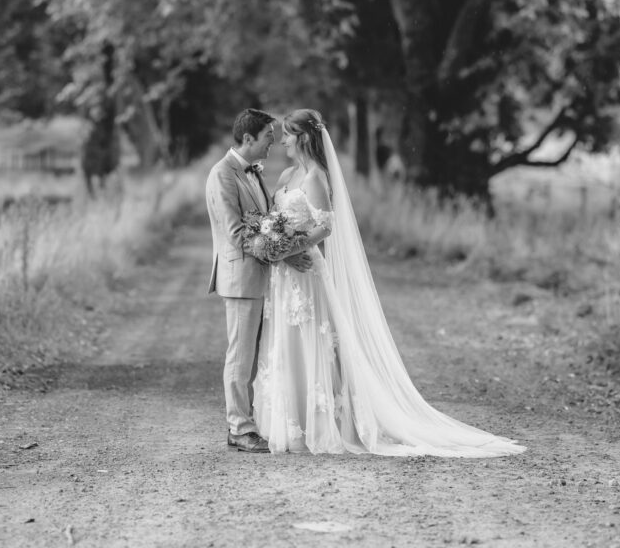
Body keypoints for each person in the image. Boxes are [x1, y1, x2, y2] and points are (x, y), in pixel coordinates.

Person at [252, 108, 526, 457]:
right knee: (285, 342)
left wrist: (292, 247)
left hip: (306, 271)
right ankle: (291, 421)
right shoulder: (288, 174)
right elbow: (273, 219)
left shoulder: (316, 178)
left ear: (303, 137)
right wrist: (277, 249)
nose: (283, 141)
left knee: (311, 338)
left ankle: (321, 424)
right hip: (283, 274)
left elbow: (325, 226)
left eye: (288, 134)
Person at [205, 109, 312, 453]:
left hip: (262, 276)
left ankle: (247, 422)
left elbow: (264, 223)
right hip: (240, 278)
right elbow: (237, 234)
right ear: (248, 138)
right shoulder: (222, 174)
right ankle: (239, 427)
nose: (273, 143)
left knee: (255, 357)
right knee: (240, 356)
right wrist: (284, 254)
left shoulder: (252, 173)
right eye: (268, 136)